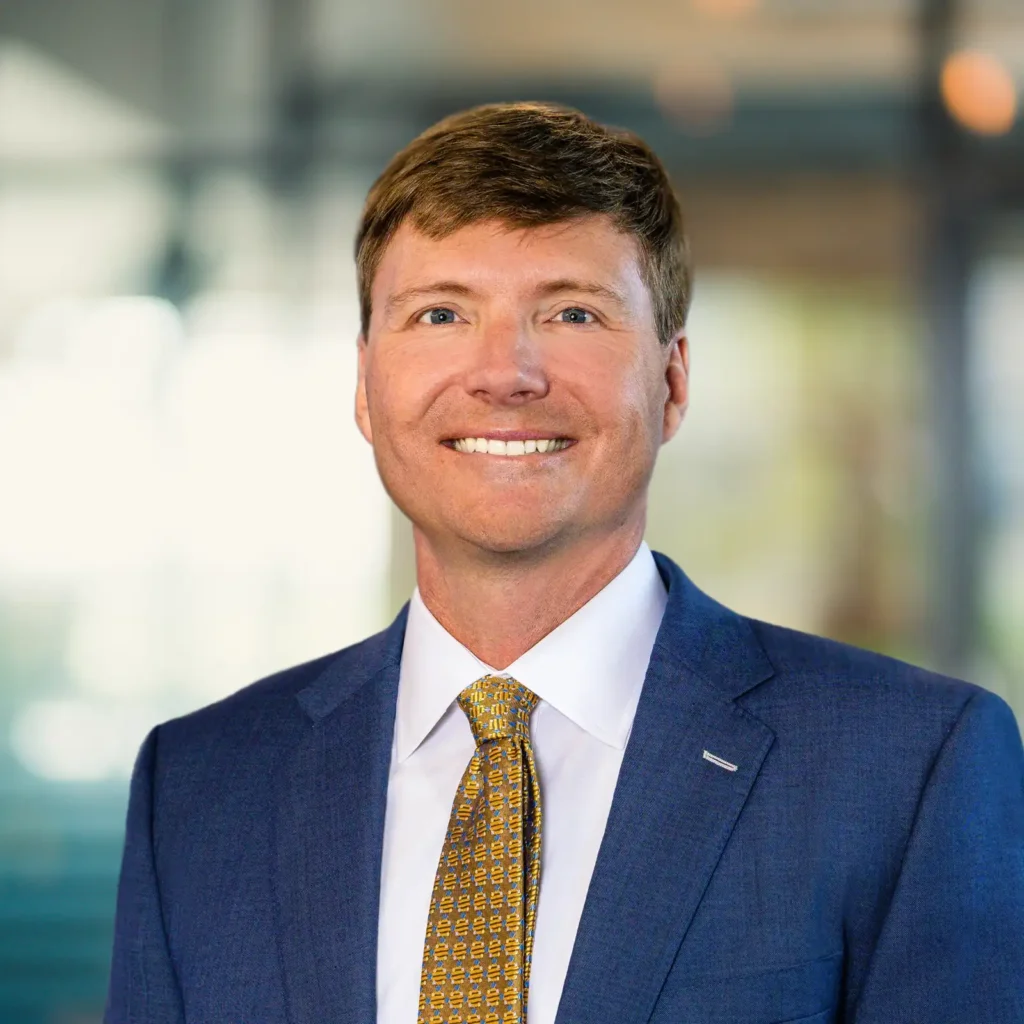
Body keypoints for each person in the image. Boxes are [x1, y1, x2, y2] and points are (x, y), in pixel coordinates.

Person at [105, 102, 1024, 1024]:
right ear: (364, 386)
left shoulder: (911, 770)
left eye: (572, 311)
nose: (505, 372)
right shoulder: (199, 789)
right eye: (441, 313)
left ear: (671, 384)